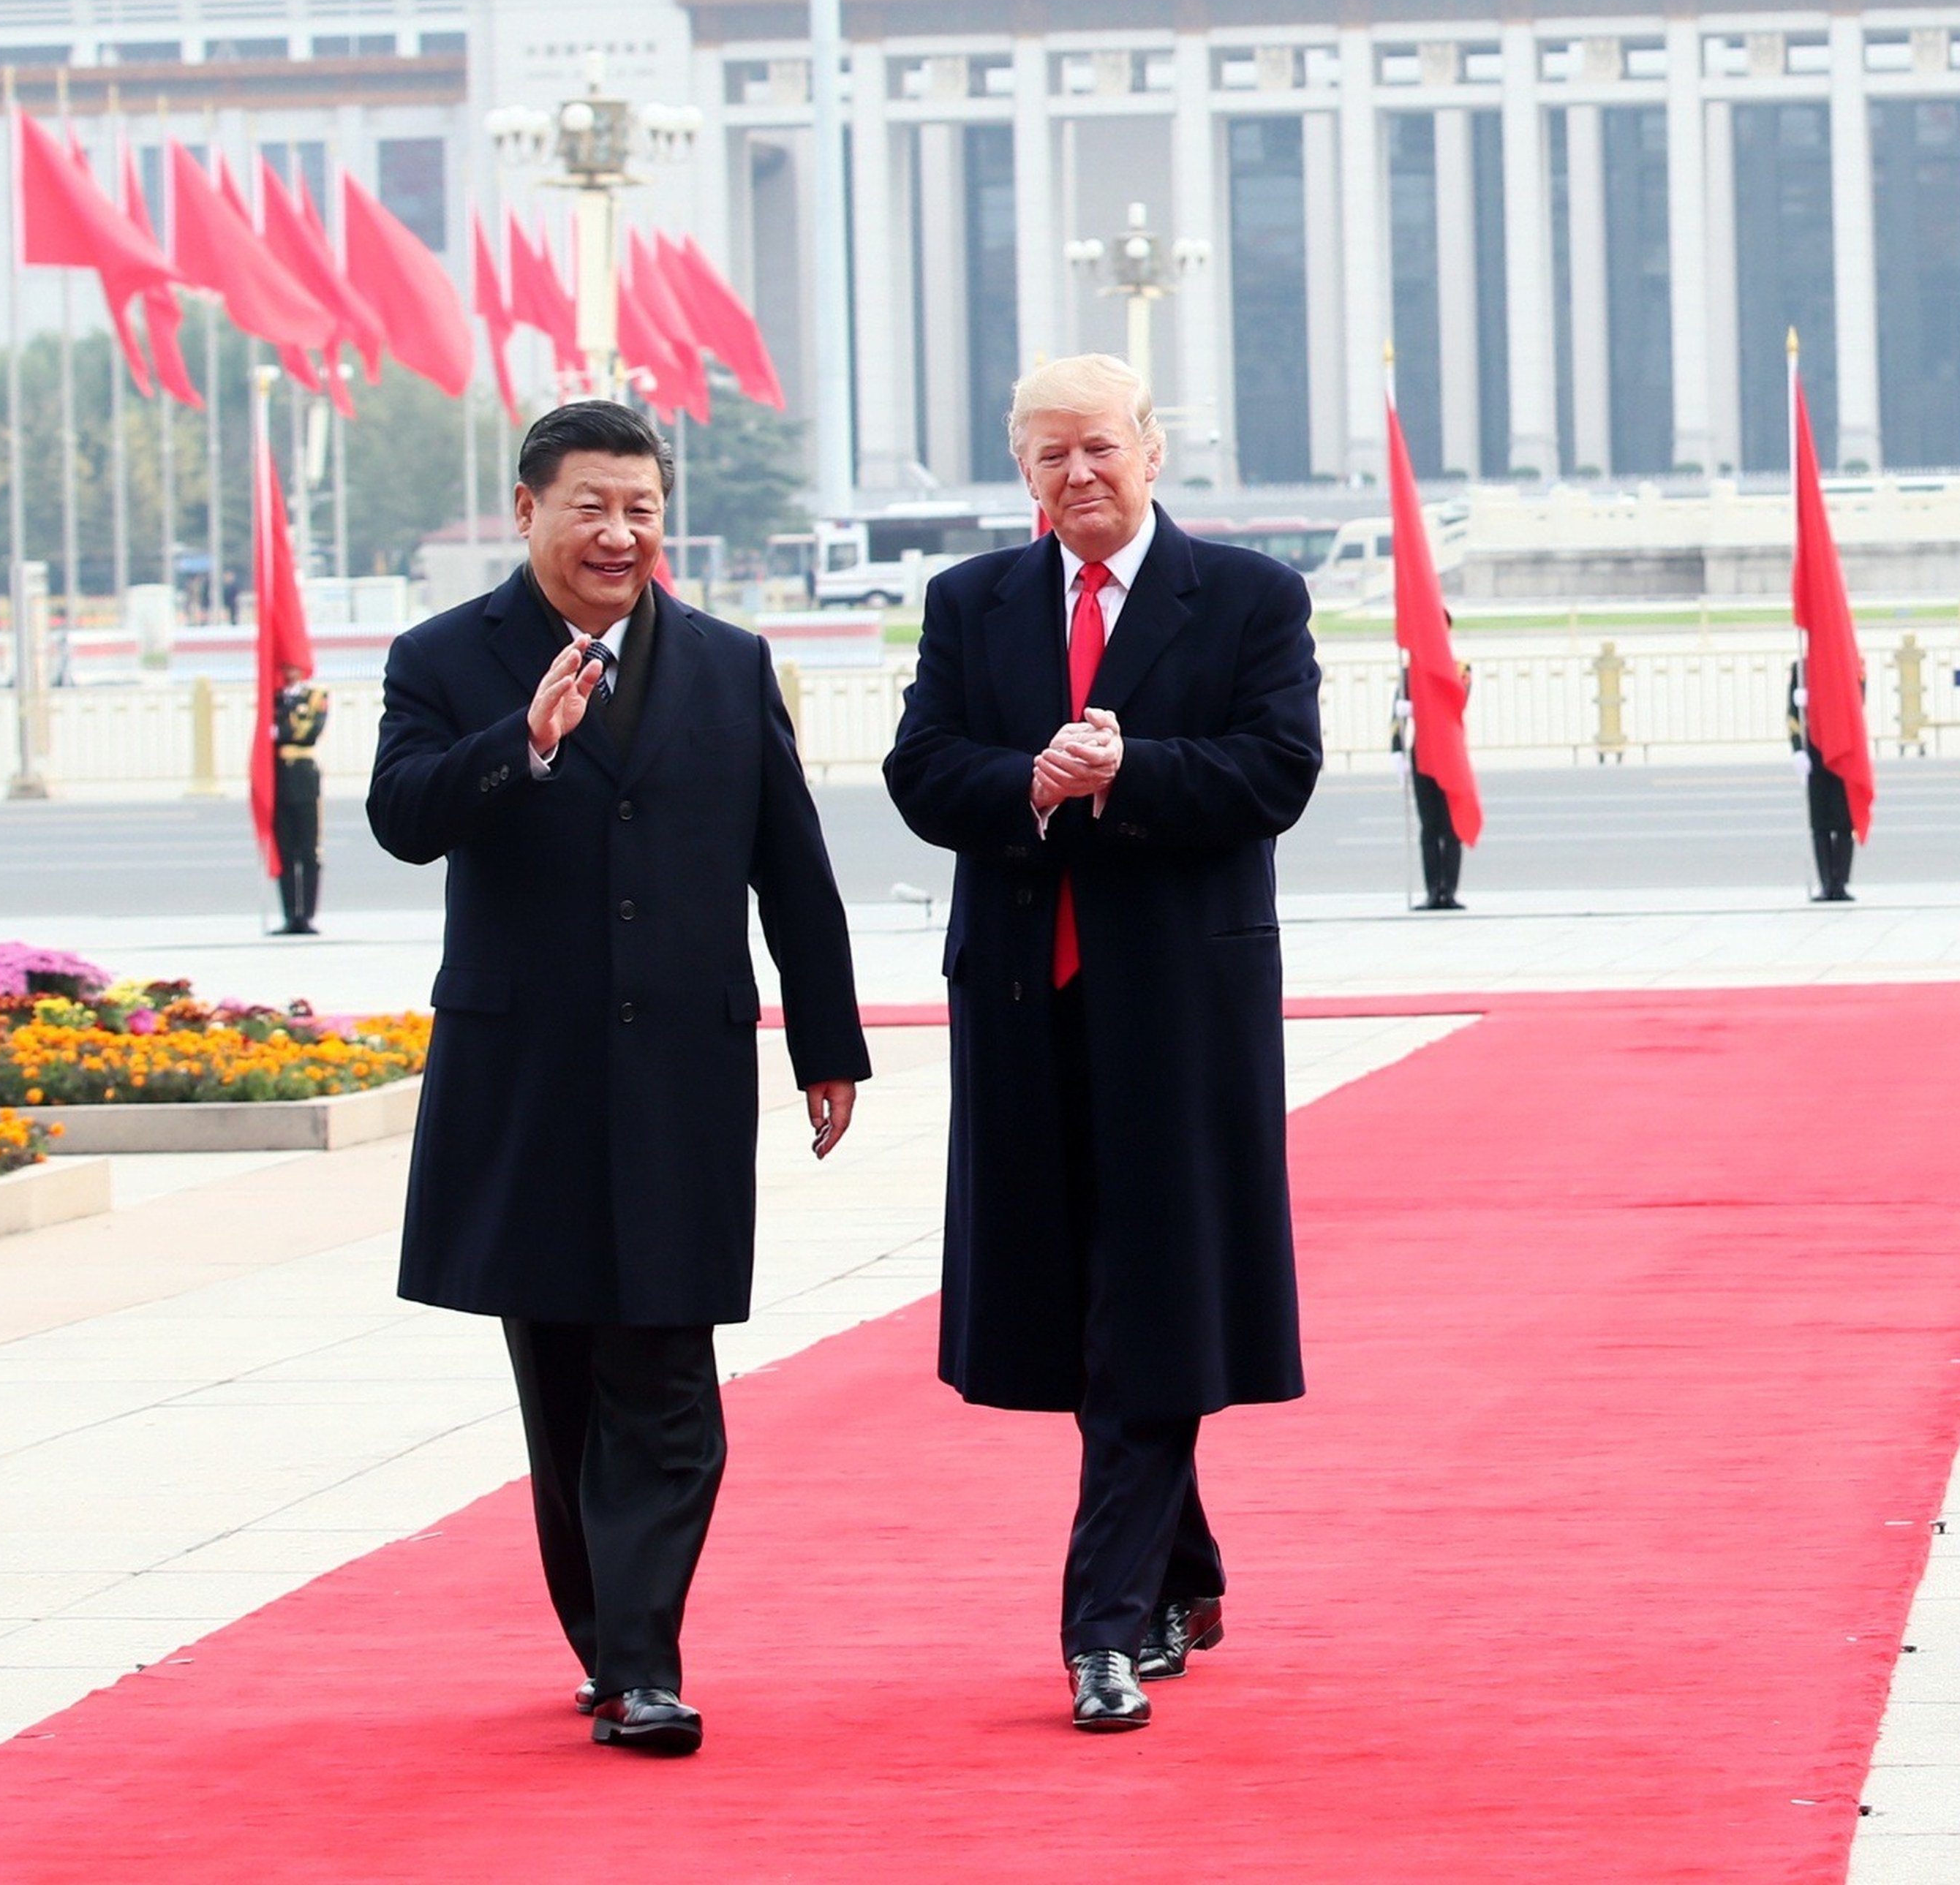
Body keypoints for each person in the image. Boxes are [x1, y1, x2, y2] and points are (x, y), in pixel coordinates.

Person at [367, 397, 867, 1757]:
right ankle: (604, 1641)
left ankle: (646, 1661)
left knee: (666, 1368)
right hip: (524, 1077)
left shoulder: (726, 661)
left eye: (640, 507)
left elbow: (793, 865)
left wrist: (828, 1041)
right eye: (589, 505)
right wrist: (519, 744)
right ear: (526, 509)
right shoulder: (441, 657)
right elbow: (402, 819)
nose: (618, 532)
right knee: (564, 1382)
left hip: (682, 1079)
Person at [883, 352, 1322, 1734]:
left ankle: (1102, 1626)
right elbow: (918, 769)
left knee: (1153, 1293)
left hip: (1177, 1010)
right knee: (1087, 1303)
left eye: (1101, 448)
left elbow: (1277, 771)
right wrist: (1023, 781)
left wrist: (1130, 773)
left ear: (1152, 449)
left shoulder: (1248, 596)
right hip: (1022, 1002)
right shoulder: (975, 602)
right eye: (1049, 454)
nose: (1079, 474)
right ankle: (1183, 1567)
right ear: (1022, 470)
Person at [1393, 622, 1468, 909]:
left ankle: (1449, 891)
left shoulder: (1459, 668)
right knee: (1429, 826)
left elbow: (1457, 701)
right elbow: (1395, 718)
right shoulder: (1409, 672)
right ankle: (1432, 891)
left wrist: (1421, 705)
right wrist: (1397, 751)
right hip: (1422, 752)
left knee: (1451, 827)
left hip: (1449, 754)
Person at [1787, 658, 1861, 903]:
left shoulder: (1850, 664)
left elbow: (1857, 701)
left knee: (1843, 820)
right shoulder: (1802, 668)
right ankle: (1826, 883)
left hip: (1841, 748)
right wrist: (1798, 748)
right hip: (1814, 749)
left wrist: (1820, 700)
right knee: (1819, 822)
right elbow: (1792, 715)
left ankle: (1840, 884)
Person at [270, 662, 328, 934]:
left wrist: (282, 731)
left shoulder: (316, 696)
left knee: (308, 850)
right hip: (280, 778)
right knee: (285, 850)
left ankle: (306, 915)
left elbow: (309, 731)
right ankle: (290, 915)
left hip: (305, 778)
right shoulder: (275, 697)